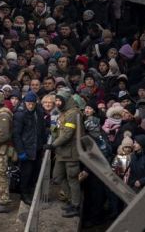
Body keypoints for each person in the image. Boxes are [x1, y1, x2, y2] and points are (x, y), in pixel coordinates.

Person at [47, 88, 80, 218]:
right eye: (56, 100)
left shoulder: (73, 113)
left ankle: (76, 205)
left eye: (60, 100)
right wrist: (52, 130)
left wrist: (52, 145)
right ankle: (71, 199)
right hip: (61, 152)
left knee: (72, 178)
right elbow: (58, 129)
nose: (57, 103)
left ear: (66, 100)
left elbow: (67, 134)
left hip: (71, 152)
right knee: (57, 176)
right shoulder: (63, 113)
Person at [12, 90, 43, 204]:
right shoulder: (20, 114)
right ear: (25, 102)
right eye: (28, 103)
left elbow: (41, 129)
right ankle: (24, 194)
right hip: (26, 148)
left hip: (37, 147)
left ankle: (31, 191)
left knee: (35, 171)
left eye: (32, 103)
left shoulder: (38, 112)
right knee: (26, 173)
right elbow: (16, 134)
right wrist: (21, 151)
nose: (30, 106)